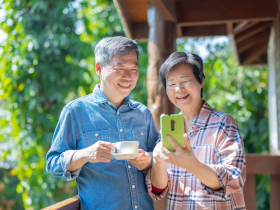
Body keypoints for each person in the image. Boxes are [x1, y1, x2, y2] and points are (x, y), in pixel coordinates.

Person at [46, 36, 158, 210]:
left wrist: (149, 161)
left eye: (134, 69)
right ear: (99, 68)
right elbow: (53, 163)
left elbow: (160, 156)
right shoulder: (75, 111)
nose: (128, 76)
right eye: (120, 67)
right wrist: (85, 154)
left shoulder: (143, 113)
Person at [146, 52, 246, 209]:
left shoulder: (223, 123)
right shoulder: (168, 130)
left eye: (185, 81)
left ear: (201, 82)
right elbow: (158, 190)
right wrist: (158, 162)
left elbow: (234, 179)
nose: (178, 89)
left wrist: (190, 163)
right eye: (171, 84)